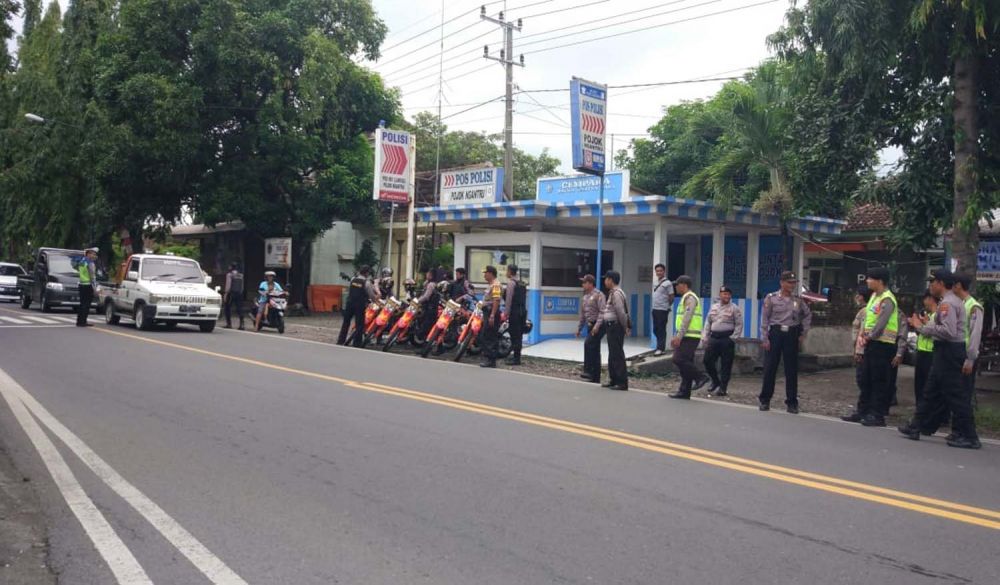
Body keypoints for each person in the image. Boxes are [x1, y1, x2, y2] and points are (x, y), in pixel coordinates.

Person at [899, 270, 980, 449]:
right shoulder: (948, 302)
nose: (930, 286)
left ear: (941, 283)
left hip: (951, 352)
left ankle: (970, 436)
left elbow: (948, 332)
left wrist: (923, 327)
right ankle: (916, 426)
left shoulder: (948, 304)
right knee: (931, 390)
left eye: (932, 282)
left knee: (956, 394)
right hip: (944, 352)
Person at [840, 267, 898, 427]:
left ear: (879, 281)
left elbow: (881, 323)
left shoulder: (887, 299)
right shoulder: (874, 297)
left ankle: (877, 414)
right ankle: (863, 411)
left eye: (870, 278)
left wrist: (869, 336)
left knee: (878, 380)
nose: (867, 281)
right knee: (866, 379)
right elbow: (868, 320)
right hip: (870, 343)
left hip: (883, 344)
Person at [758, 271, 812, 414]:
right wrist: (765, 337)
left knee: (791, 370)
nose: (792, 285)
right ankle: (765, 400)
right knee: (770, 368)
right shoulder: (772, 298)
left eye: (794, 283)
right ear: (782, 283)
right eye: (789, 282)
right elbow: (765, 318)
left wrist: (803, 333)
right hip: (775, 333)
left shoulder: (798, 300)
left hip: (791, 334)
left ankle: (792, 402)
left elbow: (807, 315)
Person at [668, 275, 709, 399]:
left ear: (684, 285)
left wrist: (679, 336)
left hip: (689, 336)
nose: (676, 287)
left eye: (677, 284)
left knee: (678, 359)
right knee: (687, 361)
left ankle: (701, 377)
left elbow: (687, 318)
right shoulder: (685, 298)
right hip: (687, 335)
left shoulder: (690, 298)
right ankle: (684, 391)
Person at [701, 286, 743, 397]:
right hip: (714, 338)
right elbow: (708, 322)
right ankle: (715, 381)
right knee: (707, 361)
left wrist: (733, 338)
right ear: (720, 295)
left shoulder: (734, 308)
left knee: (726, 365)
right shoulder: (713, 307)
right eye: (724, 294)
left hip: (727, 339)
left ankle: (723, 388)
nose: (726, 296)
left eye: (728, 294)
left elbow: (739, 324)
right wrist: (705, 336)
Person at [594, 270, 629, 390]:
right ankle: (613, 379)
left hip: (615, 326)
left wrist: (625, 327)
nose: (604, 281)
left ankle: (621, 382)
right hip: (611, 326)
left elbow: (621, 312)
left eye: (606, 279)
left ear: (611, 280)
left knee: (617, 354)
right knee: (612, 354)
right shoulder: (613, 292)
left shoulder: (617, 293)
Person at [337, 265, 376, 346]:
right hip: (360, 305)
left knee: (346, 322)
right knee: (359, 324)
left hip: (350, 303)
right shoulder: (366, 283)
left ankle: (341, 340)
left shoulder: (353, 279)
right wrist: (375, 300)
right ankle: (357, 343)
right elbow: (371, 295)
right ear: (367, 273)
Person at [576, 274, 606, 383]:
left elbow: (602, 312)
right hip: (589, 325)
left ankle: (588, 370)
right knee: (595, 349)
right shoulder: (585, 297)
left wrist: (597, 326)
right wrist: (579, 328)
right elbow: (583, 315)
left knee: (588, 344)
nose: (583, 285)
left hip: (598, 324)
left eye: (584, 282)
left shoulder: (599, 295)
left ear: (590, 283)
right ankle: (595, 376)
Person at [912, 291, 938, 412]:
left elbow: (929, 332)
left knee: (925, 385)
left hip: (931, 354)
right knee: (919, 384)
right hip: (922, 351)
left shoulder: (937, 315)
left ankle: (924, 412)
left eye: (925, 299)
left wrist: (917, 325)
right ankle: (920, 410)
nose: (924, 303)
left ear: (930, 299)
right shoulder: (930, 315)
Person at [504, 265, 527, 365]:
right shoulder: (522, 283)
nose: (506, 273)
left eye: (507, 271)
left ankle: (516, 359)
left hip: (514, 312)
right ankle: (517, 357)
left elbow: (508, 300)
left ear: (510, 271)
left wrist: (506, 313)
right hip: (522, 312)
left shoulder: (511, 284)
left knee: (514, 335)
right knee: (519, 335)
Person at [480, 265, 502, 368]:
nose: (484, 275)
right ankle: (488, 357)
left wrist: (492, 315)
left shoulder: (496, 285)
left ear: (490, 273)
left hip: (491, 313)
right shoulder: (491, 284)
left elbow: (496, 300)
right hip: (487, 312)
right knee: (486, 334)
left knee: (489, 336)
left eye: (485, 273)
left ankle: (491, 360)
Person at [651, 264, 675, 356]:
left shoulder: (668, 283)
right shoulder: (656, 282)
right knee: (655, 329)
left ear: (664, 271)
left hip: (663, 309)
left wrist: (667, 306)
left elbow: (671, 296)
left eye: (660, 271)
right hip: (655, 308)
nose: (659, 272)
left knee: (661, 329)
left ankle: (660, 348)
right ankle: (659, 346)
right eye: (657, 271)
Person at [75, 247, 99, 327]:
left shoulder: (82, 261)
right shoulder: (90, 263)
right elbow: (92, 277)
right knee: (86, 304)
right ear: (88, 254)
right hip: (88, 285)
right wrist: (95, 288)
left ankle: (79, 321)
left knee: (82, 304)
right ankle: (83, 321)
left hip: (81, 284)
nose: (94, 256)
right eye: (93, 254)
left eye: (95, 254)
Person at [415, 269, 441, 340]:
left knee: (426, 325)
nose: (426, 275)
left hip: (429, 308)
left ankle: (426, 342)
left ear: (431, 276)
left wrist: (417, 301)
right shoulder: (432, 283)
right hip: (431, 308)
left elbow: (426, 296)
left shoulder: (431, 285)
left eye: (428, 274)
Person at [223, 262, 245, 330]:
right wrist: (241, 292)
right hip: (239, 293)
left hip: (231, 293)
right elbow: (242, 286)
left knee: (227, 308)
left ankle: (229, 324)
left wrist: (226, 293)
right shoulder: (241, 275)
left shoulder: (229, 275)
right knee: (239, 308)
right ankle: (242, 324)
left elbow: (228, 285)